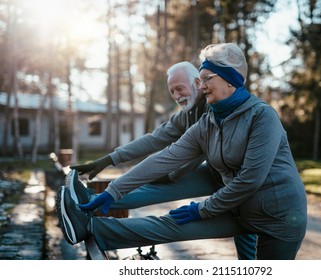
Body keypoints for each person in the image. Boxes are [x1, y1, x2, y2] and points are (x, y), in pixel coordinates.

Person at [57, 43, 307, 260]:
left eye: (207, 78)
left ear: (230, 79)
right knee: (172, 222)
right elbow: (165, 157)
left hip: (279, 218)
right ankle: (89, 226)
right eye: (201, 79)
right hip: (239, 209)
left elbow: (250, 180)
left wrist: (201, 209)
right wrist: (112, 192)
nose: (203, 85)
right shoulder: (208, 122)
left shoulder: (262, 116)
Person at [69, 61, 257, 260]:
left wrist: (169, 175)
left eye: (179, 89)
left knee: (246, 235)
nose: (177, 96)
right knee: (155, 185)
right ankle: (88, 203)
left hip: (241, 184)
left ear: (196, 83)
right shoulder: (186, 114)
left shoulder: (213, 110)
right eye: (172, 91)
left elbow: (189, 157)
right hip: (216, 172)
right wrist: (109, 159)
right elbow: (154, 139)